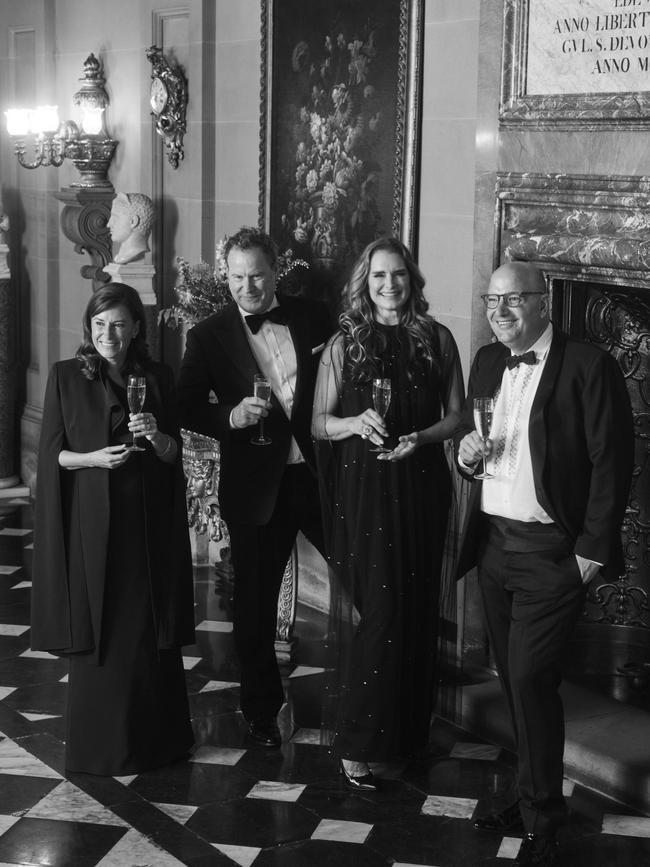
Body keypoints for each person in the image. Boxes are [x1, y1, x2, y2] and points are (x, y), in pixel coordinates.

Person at [455, 262, 634, 867]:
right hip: (494, 547)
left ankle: (542, 814)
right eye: (492, 299)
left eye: (513, 300)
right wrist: (465, 454)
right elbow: (474, 447)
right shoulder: (485, 362)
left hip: (552, 554)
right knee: (513, 679)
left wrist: (590, 550)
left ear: (542, 304)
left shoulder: (589, 366)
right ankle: (529, 795)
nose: (499, 310)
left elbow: (613, 461)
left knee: (531, 676)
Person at [311, 237, 464, 788]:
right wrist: (356, 424)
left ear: (411, 280)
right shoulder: (342, 345)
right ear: (365, 282)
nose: (389, 285)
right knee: (381, 612)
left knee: (417, 610)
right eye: (378, 276)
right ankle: (358, 740)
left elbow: (458, 417)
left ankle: (405, 735)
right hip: (365, 491)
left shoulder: (437, 339)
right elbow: (318, 424)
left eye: (397, 274)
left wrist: (419, 438)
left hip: (420, 483)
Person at [177, 226, 332, 748]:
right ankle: (261, 710)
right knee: (255, 605)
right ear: (226, 276)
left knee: (367, 573)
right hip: (256, 484)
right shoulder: (207, 335)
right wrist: (231, 416)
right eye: (238, 277)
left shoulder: (314, 316)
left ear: (275, 271)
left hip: (319, 475)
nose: (249, 287)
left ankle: (372, 697)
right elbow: (184, 406)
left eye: (258, 275)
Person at [31, 282, 195, 775]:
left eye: (119, 323)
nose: (109, 333)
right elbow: (51, 454)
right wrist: (93, 459)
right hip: (94, 526)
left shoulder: (159, 377)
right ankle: (100, 748)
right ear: (89, 327)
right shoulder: (65, 377)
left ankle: (158, 744)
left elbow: (174, 455)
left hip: (147, 525)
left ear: (136, 328)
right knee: (102, 629)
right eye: (100, 324)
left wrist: (160, 436)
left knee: (146, 632)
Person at [107, 192, 155, 264]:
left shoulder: (136, 256)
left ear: (133, 221)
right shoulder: (119, 257)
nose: (108, 224)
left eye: (115, 218)